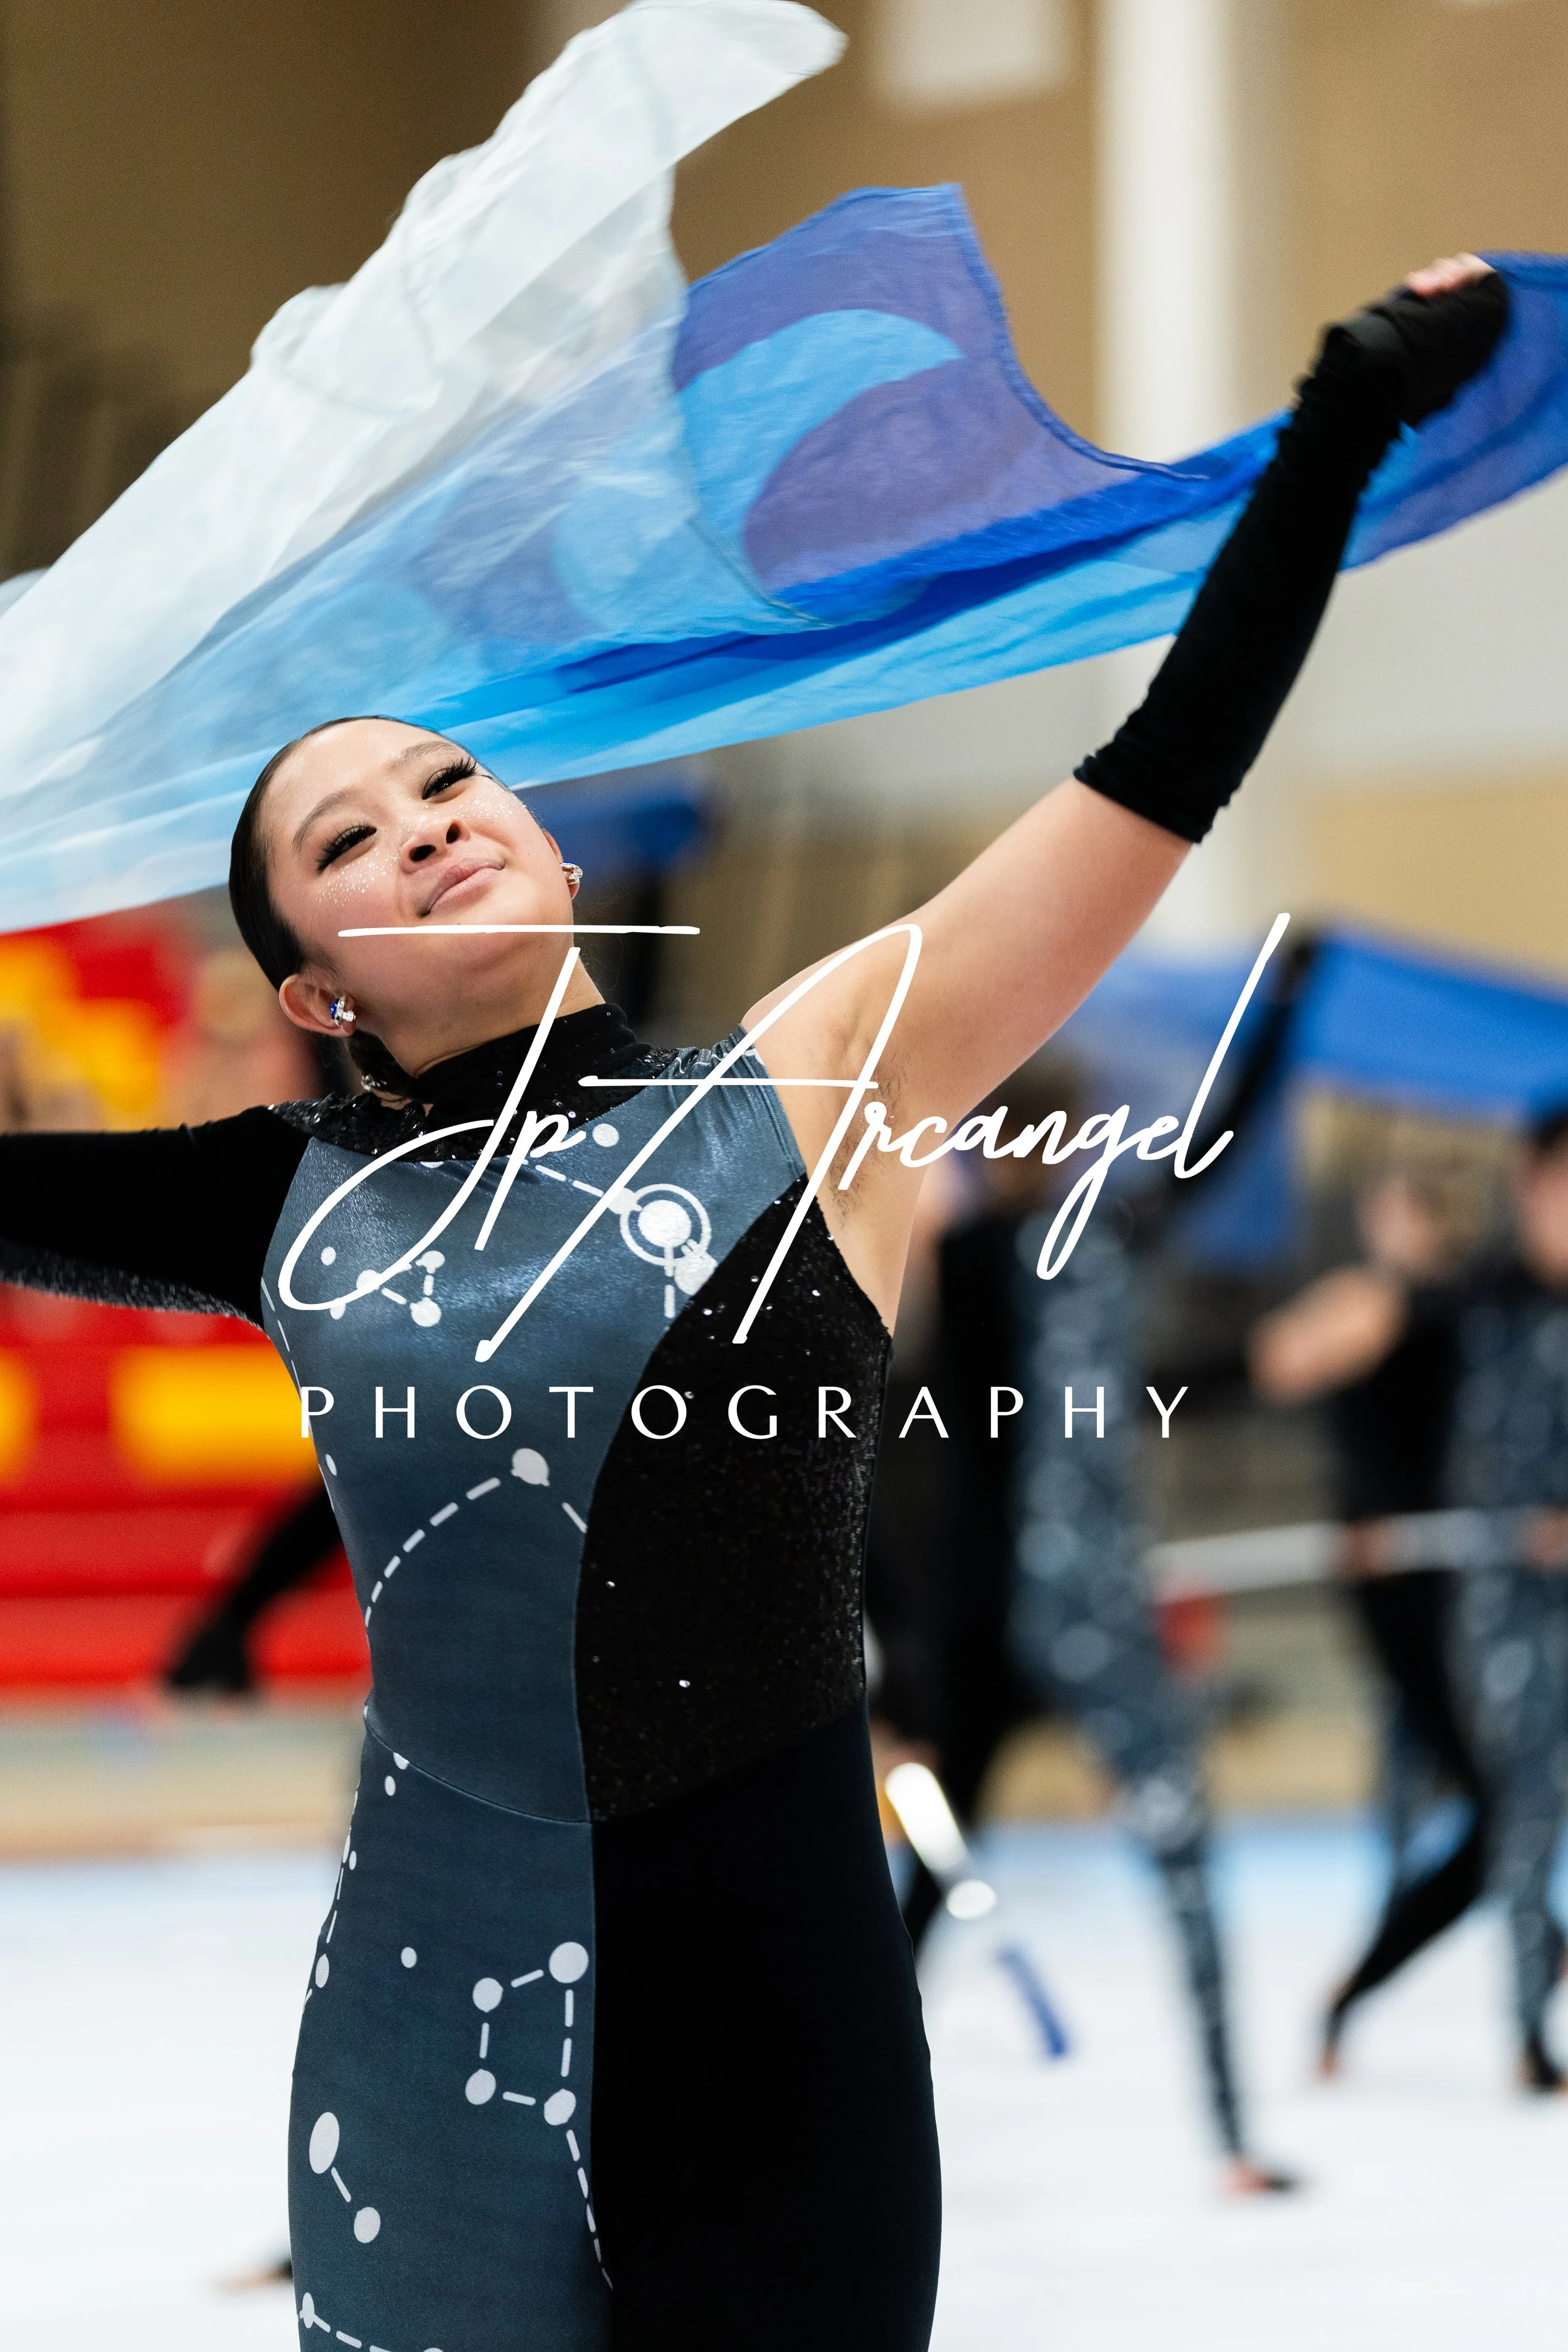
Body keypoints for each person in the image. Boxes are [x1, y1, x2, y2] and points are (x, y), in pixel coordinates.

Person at [0, 257, 1503, 2348]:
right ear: (313, 993)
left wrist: (1340, 421)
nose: (431, 829)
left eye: (451, 784)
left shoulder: (822, 1073)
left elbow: (1165, 764)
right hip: (429, 2029)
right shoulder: (286, 1200)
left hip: (777, 2034)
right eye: (354, 839)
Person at [1253, 1114, 1568, 2092]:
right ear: (1528, 1182)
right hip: (1479, 1599)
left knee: (1512, 1822)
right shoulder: (1474, 1299)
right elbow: (1321, 1369)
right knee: (1512, 1812)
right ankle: (1515, 2032)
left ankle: (1439, 1993)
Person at [1250, 1170, 1483, 2074]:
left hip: (1461, 1572)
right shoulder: (1365, 1302)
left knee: (1489, 1793)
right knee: (1478, 1793)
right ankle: (1358, 1991)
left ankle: (1368, 1989)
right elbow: (1277, 1363)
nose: (1380, 1223)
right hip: (1398, 1583)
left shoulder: (1467, 1304)